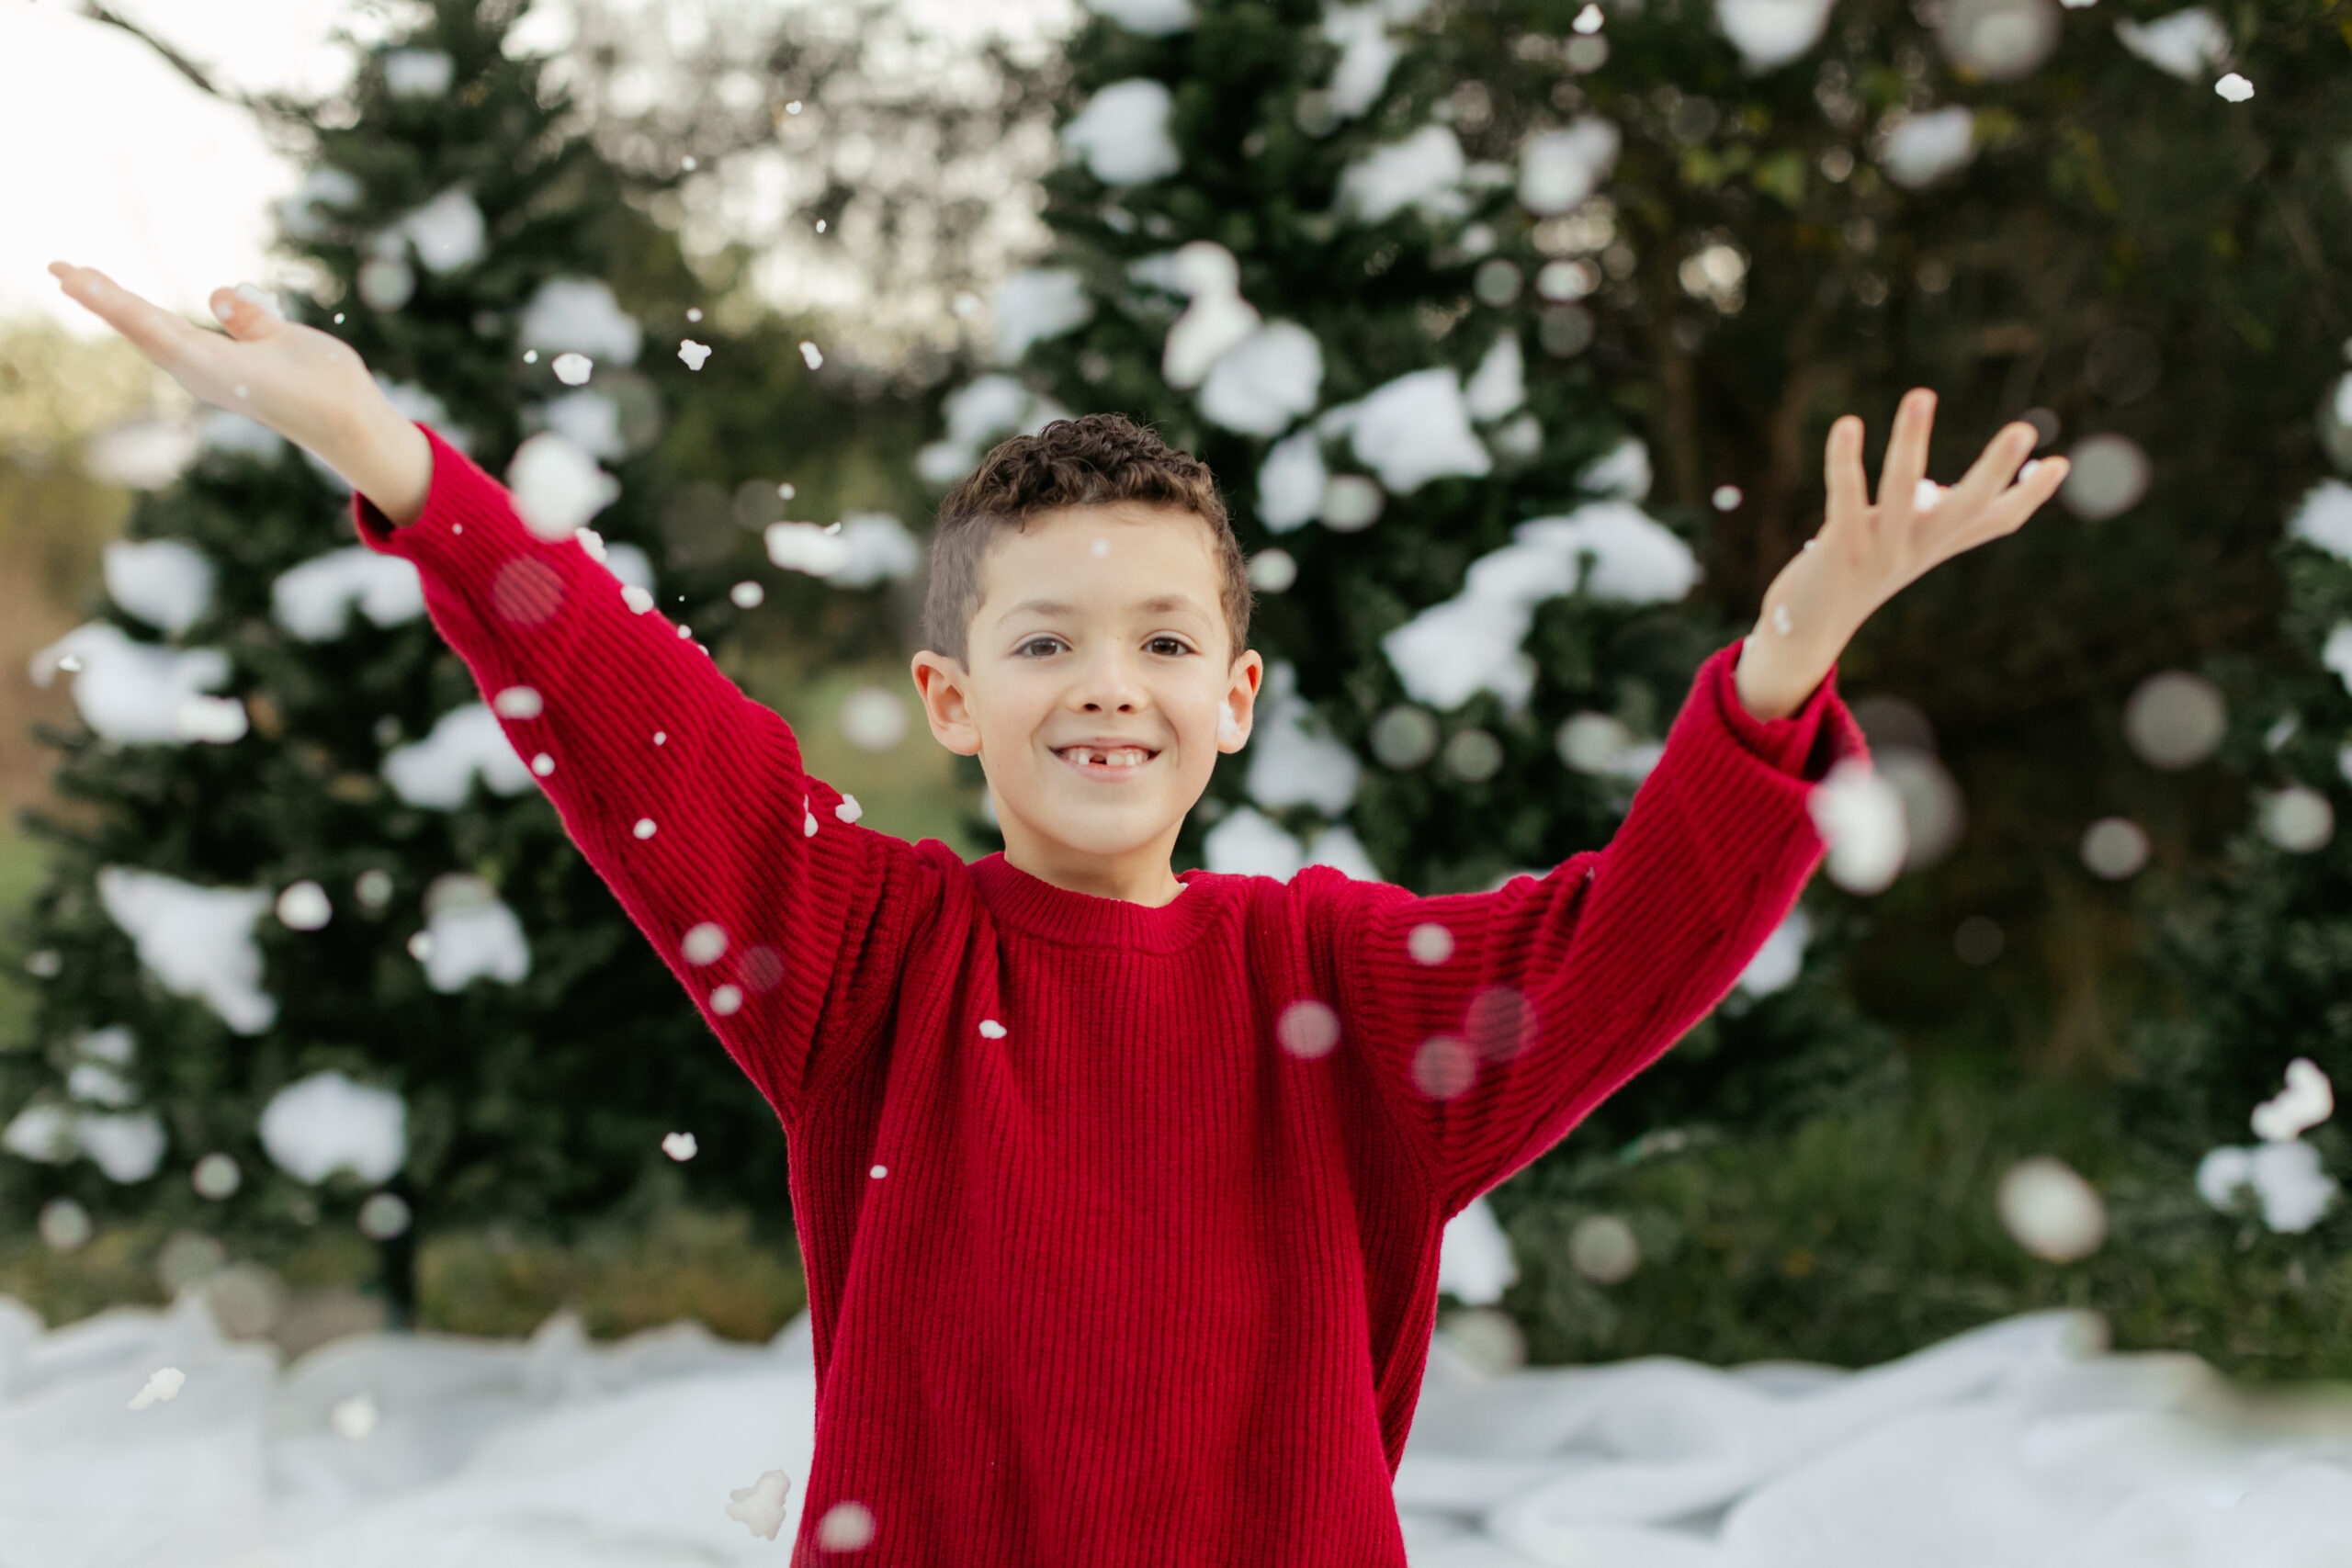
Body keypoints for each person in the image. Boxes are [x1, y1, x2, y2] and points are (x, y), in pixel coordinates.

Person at [47, 260, 2069, 1564]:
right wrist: (389, 454)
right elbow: (643, 721)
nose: (1107, 679)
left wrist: (1787, 653)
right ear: (952, 695)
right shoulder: (863, 957)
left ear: (1232, 695)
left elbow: (1630, 935)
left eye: (1161, 635)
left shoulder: (1342, 996)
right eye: (1045, 636)